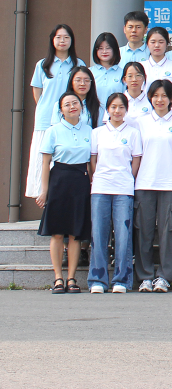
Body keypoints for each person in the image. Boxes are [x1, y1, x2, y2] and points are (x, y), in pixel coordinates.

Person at [36, 92, 92, 294]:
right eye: (67, 104)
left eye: (75, 103)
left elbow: (91, 161)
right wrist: (44, 190)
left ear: (81, 107)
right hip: (59, 180)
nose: (71, 106)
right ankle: (58, 277)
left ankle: (71, 278)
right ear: (61, 110)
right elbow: (45, 163)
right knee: (58, 232)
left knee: (75, 233)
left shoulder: (89, 130)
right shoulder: (53, 131)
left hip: (81, 181)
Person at [133, 79, 172, 292]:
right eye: (155, 96)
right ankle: (145, 276)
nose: (160, 100)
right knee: (143, 232)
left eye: (164, 95)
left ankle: (164, 276)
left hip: (170, 183)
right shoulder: (141, 122)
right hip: (144, 183)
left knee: (168, 232)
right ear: (150, 98)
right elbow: (136, 155)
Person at [88, 92, 142, 293]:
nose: (117, 111)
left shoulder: (133, 133)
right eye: (113, 107)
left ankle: (121, 280)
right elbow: (93, 159)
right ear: (107, 110)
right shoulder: (97, 133)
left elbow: (136, 160)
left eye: (121, 107)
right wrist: (97, 177)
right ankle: (97, 280)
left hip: (123, 188)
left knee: (123, 235)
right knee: (98, 233)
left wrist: (129, 178)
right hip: (100, 187)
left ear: (126, 110)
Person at [26, 24, 85, 200]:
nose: (62, 41)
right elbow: (38, 93)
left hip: (70, 120)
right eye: (58, 37)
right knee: (43, 162)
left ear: (72, 41)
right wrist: (50, 110)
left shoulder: (78, 64)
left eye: (66, 37)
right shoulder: (42, 65)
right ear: (52, 40)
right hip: (45, 120)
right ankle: (44, 200)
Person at [141, 27, 172, 96]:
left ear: (167, 44)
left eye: (161, 42)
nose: (157, 45)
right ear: (147, 44)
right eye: (153, 42)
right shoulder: (141, 67)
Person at [89, 32, 124, 107]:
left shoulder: (123, 73)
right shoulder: (89, 72)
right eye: (100, 48)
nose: (104, 51)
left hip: (115, 113)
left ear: (115, 49)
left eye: (108, 48)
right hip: (94, 113)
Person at [120, 62, 152, 127]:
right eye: (130, 76)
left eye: (138, 75)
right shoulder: (117, 101)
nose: (134, 80)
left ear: (144, 78)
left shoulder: (150, 101)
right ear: (124, 79)